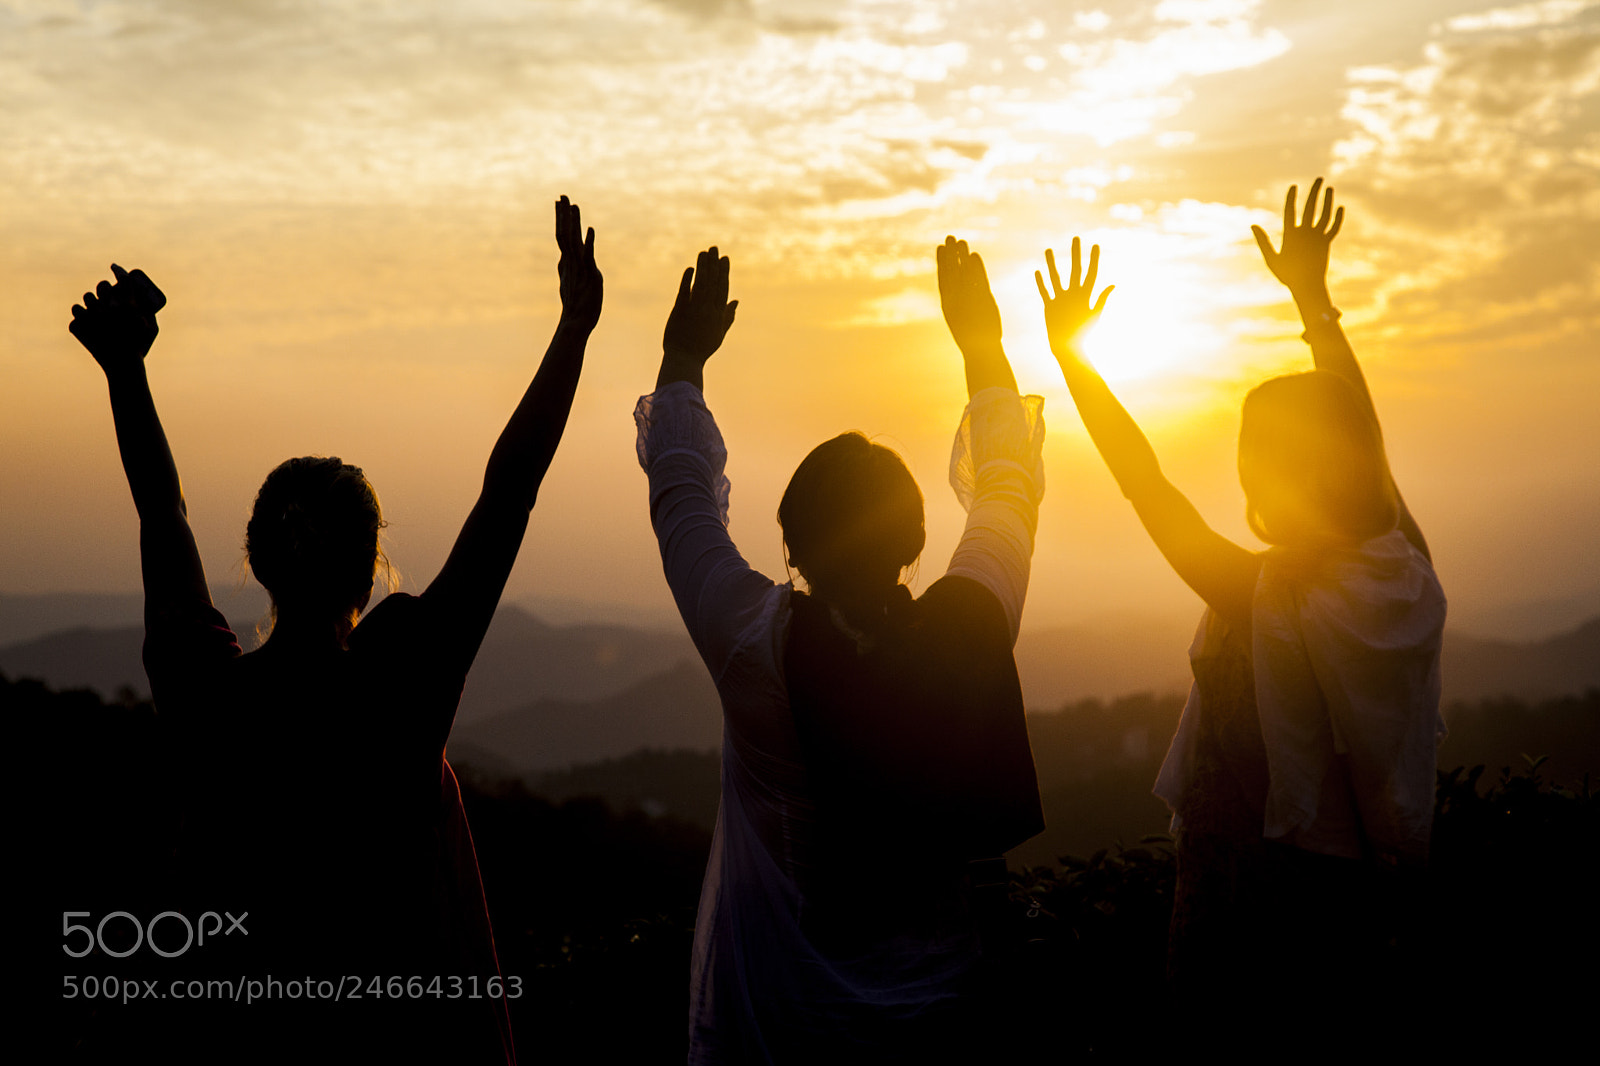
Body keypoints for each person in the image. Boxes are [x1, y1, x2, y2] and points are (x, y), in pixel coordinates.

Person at [68, 196, 603, 1064]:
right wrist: (574, 329)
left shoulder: (205, 694)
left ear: (256, 559)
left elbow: (160, 514)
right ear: (370, 566)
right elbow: (510, 491)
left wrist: (126, 371)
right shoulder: (402, 685)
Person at [1035, 181, 1445, 1027]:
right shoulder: (1404, 567)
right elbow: (1365, 442)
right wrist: (1313, 302)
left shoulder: (1272, 597)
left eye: (1256, 456)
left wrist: (1073, 361)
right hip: (1354, 894)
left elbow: (1148, 489)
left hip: (1254, 901)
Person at [636, 240, 1047, 1063]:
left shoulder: (756, 646)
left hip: (783, 1024)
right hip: (946, 1022)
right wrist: (980, 348)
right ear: (914, 540)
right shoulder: (970, 627)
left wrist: (684, 358)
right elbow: (1008, 485)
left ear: (792, 544)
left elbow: (682, 499)